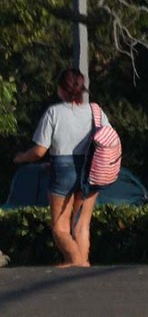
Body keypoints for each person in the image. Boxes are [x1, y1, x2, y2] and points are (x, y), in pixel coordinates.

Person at [13, 68, 110, 267]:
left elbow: (39, 151)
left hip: (62, 169)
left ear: (61, 90)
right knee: (82, 225)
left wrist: (22, 157)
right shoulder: (96, 111)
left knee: (60, 227)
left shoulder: (54, 113)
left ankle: (76, 262)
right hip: (91, 169)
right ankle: (81, 267)